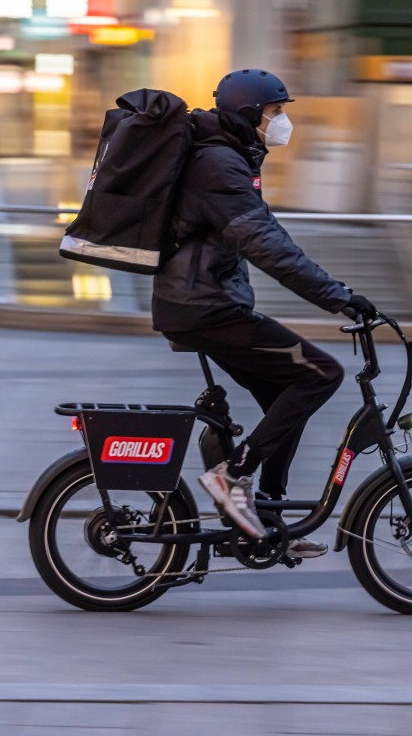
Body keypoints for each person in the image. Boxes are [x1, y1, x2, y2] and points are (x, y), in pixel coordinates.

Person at [152, 69, 378, 559]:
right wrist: (338, 295)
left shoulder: (229, 157)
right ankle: (231, 477)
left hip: (204, 303)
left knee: (286, 395)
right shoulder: (219, 166)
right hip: (205, 307)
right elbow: (268, 246)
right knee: (321, 372)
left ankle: (267, 520)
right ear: (250, 115)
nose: (282, 121)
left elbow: (267, 236)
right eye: (276, 112)